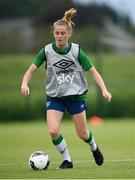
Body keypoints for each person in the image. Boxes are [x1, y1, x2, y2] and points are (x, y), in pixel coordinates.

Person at [21, 8, 112, 169]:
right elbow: (30, 70)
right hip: (55, 97)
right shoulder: (47, 51)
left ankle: (94, 147)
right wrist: (24, 83)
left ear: (69, 34)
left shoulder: (76, 51)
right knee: (53, 131)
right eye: (57, 33)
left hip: (75, 96)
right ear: (54, 34)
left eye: (63, 33)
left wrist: (104, 89)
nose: (59, 36)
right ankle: (67, 160)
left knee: (82, 134)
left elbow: (93, 71)